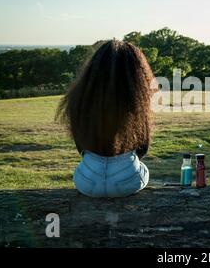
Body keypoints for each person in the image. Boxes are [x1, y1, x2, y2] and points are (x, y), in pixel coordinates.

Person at [56, 40, 155, 197]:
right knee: (143, 169)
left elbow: (80, 147)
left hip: (86, 180)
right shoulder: (138, 102)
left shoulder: (79, 99)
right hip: (129, 179)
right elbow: (143, 148)